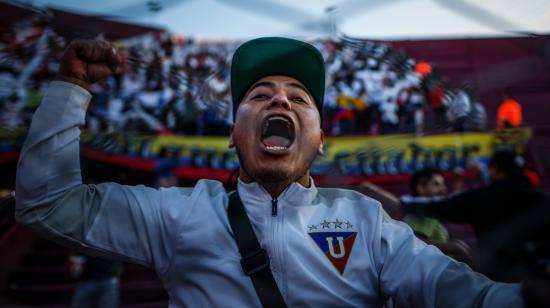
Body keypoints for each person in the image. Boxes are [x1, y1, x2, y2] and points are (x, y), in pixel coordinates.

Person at [16, 38, 524, 306]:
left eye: (298, 97)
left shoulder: (365, 221)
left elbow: (455, 290)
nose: (279, 97)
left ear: (320, 139)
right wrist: (70, 87)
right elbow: (49, 205)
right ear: (233, 135)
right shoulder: (178, 214)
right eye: (259, 95)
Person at [401, 150, 550, 283]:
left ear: (495, 169)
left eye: (443, 184)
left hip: (498, 280)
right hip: (536, 281)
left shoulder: (482, 198)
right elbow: (416, 239)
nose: (443, 188)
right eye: (436, 184)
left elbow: (454, 203)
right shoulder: (541, 199)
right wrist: (455, 247)